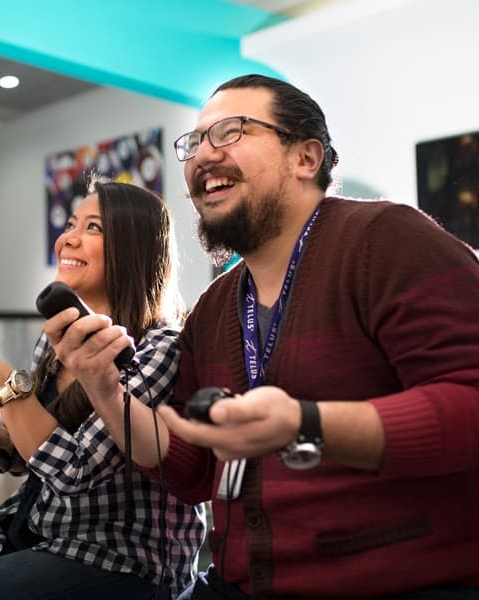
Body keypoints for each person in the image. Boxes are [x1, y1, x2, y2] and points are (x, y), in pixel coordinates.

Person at [45, 74, 479, 599]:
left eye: (231, 132)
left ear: (306, 158)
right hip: (239, 583)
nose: (203, 155)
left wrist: (305, 424)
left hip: (399, 582)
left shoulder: (387, 239)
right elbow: (192, 470)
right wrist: (104, 388)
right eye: (195, 141)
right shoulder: (215, 308)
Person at [0, 181, 206, 600]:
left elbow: (74, 474)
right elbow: (46, 457)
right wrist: (7, 448)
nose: (67, 237)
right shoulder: (57, 338)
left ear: (134, 249)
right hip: (46, 529)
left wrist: (2, 380)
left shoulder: (160, 347)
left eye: (93, 228)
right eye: (71, 223)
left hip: (126, 555)